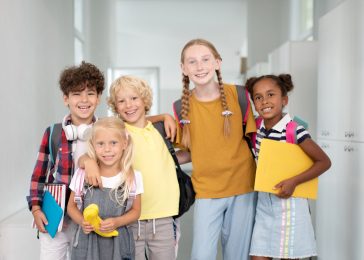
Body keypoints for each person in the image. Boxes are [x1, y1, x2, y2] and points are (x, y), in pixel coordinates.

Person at [175, 38, 257, 260]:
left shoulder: (240, 96)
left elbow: (256, 140)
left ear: (217, 63)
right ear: (183, 68)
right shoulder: (179, 108)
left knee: (237, 255)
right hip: (207, 190)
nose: (199, 66)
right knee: (201, 254)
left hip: (243, 187)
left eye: (205, 59)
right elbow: (189, 152)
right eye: (192, 62)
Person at [83, 75, 180, 260]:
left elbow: (180, 155)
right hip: (129, 217)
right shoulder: (119, 132)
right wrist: (88, 162)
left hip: (163, 217)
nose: (129, 105)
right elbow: (91, 151)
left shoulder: (160, 129)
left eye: (134, 98)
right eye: (121, 101)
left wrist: (165, 116)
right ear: (115, 106)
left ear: (145, 100)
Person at [245, 74, 331, 260]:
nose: (264, 101)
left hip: (290, 207)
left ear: (284, 100)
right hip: (264, 205)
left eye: (270, 95)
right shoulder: (257, 127)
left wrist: (294, 181)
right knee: (258, 255)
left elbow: (324, 162)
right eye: (258, 97)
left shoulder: (294, 130)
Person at [26, 61, 105, 259]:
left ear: (99, 98)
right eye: (77, 94)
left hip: (91, 217)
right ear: (66, 99)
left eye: (90, 93)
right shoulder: (53, 133)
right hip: (57, 219)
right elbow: (39, 175)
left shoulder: (107, 132)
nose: (84, 100)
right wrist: (36, 208)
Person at [67, 117, 142, 260]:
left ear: (124, 144)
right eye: (100, 144)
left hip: (119, 244)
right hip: (86, 242)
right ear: (93, 145)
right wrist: (82, 221)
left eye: (113, 143)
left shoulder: (133, 177)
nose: (107, 149)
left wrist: (117, 222)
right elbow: (71, 207)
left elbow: (136, 211)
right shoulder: (82, 175)